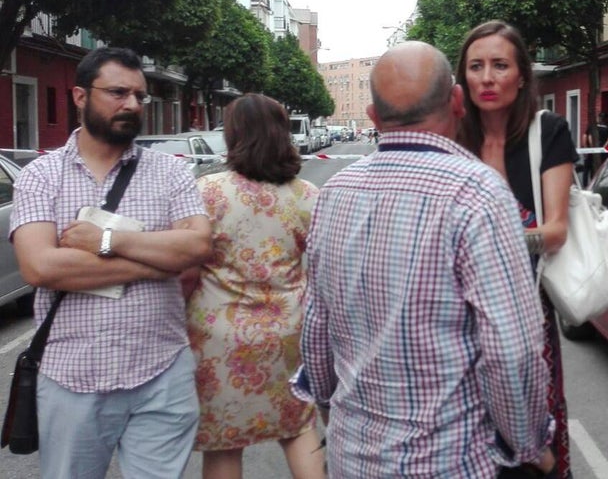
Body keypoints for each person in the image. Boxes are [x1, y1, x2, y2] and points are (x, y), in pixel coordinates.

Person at [297, 42, 554, 478]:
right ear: (457, 102)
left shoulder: (334, 194)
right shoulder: (478, 193)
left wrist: (326, 400)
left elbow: (316, 324)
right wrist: (529, 442)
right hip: (449, 460)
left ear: (374, 118)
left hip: (352, 457)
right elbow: (511, 349)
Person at [9, 46, 212, 478]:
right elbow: (41, 268)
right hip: (72, 377)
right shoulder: (40, 178)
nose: (132, 105)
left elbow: (196, 248)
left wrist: (106, 240)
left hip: (161, 373)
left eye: (140, 96)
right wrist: (157, 261)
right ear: (80, 96)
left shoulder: (171, 173)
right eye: (118, 92)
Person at [455, 20, 578, 479]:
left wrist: (494, 239)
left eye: (500, 65)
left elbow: (556, 230)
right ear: (462, 78)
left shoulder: (547, 132)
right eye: (476, 66)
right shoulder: (453, 137)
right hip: (458, 314)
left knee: (532, 435)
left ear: (522, 75)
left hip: (526, 307)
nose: (487, 78)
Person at [184, 94, 325, 479]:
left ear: (233, 136)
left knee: (225, 441)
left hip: (218, 335)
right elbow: (327, 267)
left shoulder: (207, 192)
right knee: (298, 428)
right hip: (289, 330)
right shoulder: (306, 195)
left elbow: (187, 266)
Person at [580, 111, 608, 185]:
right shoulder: (606, 128)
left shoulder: (593, 127)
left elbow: (586, 136)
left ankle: (585, 185)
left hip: (591, 151)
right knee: (599, 168)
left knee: (588, 168)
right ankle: (595, 184)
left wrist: (588, 147)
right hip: (600, 152)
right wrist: (603, 148)